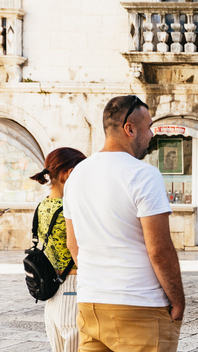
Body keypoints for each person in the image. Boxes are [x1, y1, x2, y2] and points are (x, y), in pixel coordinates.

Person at [63, 95, 185, 351]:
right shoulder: (143, 175)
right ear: (129, 129)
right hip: (139, 307)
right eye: (148, 127)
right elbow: (160, 251)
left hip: (90, 305)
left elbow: (73, 245)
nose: (152, 134)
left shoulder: (77, 175)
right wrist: (178, 300)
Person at [30, 147, 87, 352]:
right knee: (75, 343)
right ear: (70, 174)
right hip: (72, 285)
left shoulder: (42, 206)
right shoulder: (70, 209)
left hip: (51, 288)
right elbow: (76, 248)